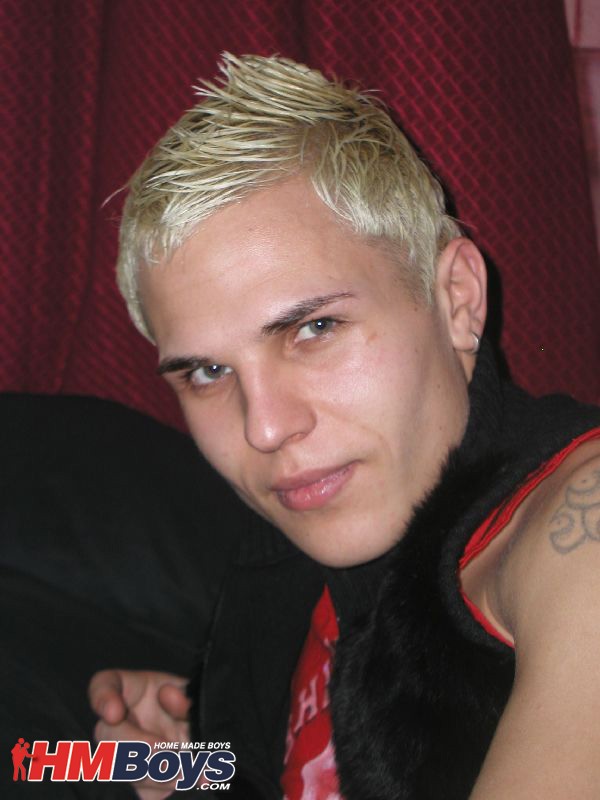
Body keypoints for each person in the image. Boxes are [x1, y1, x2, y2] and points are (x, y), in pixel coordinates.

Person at [89, 54, 600, 799]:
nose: (265, 429)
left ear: (457, 299)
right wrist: (160, 765)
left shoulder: (576, 531)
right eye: (208, 372)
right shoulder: (281, 568)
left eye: (315, 328)